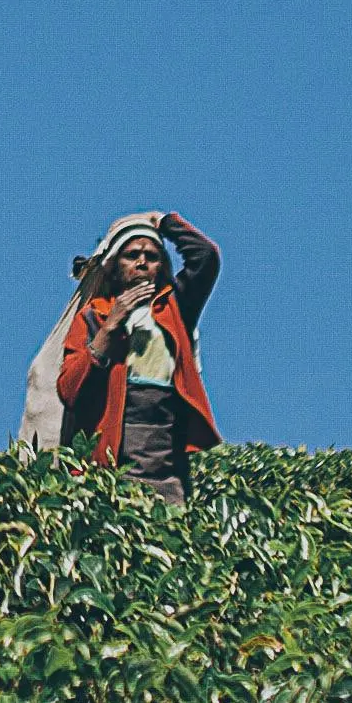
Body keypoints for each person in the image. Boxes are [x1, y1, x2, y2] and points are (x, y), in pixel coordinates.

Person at [29, 210, 221, 492]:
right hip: (111, 465)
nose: (142, 263)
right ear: (114, 266)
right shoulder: (93, 317)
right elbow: (69, 389)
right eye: (131, 256)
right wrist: (110, 328)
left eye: (152, 257)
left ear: (162, 267)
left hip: (166, 465)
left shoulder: (174, 308)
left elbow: (206, 257)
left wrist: (165, 222)